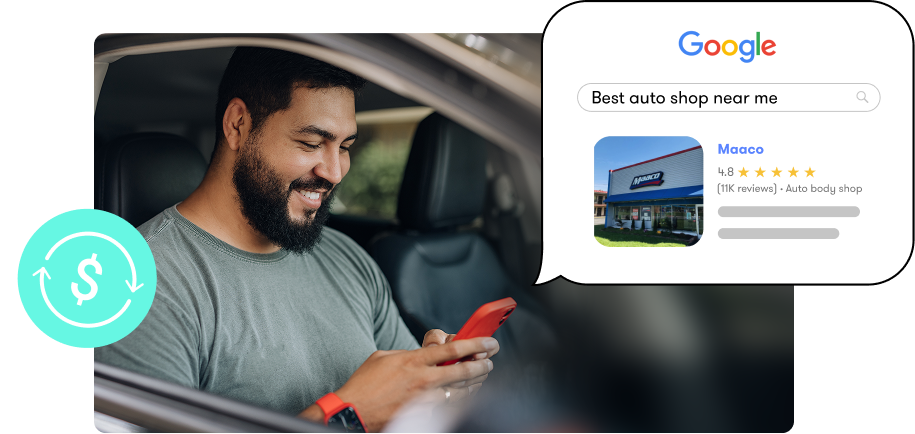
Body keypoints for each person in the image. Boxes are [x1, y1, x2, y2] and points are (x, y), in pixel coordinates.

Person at [94, 47, 498, 432]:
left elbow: (407, 407)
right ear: (238, 125)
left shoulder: (347, 258)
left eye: (345, 147)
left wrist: (441, 384)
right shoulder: (141, 286)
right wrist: (347, 415)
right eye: (311, 143)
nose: (335, 171)